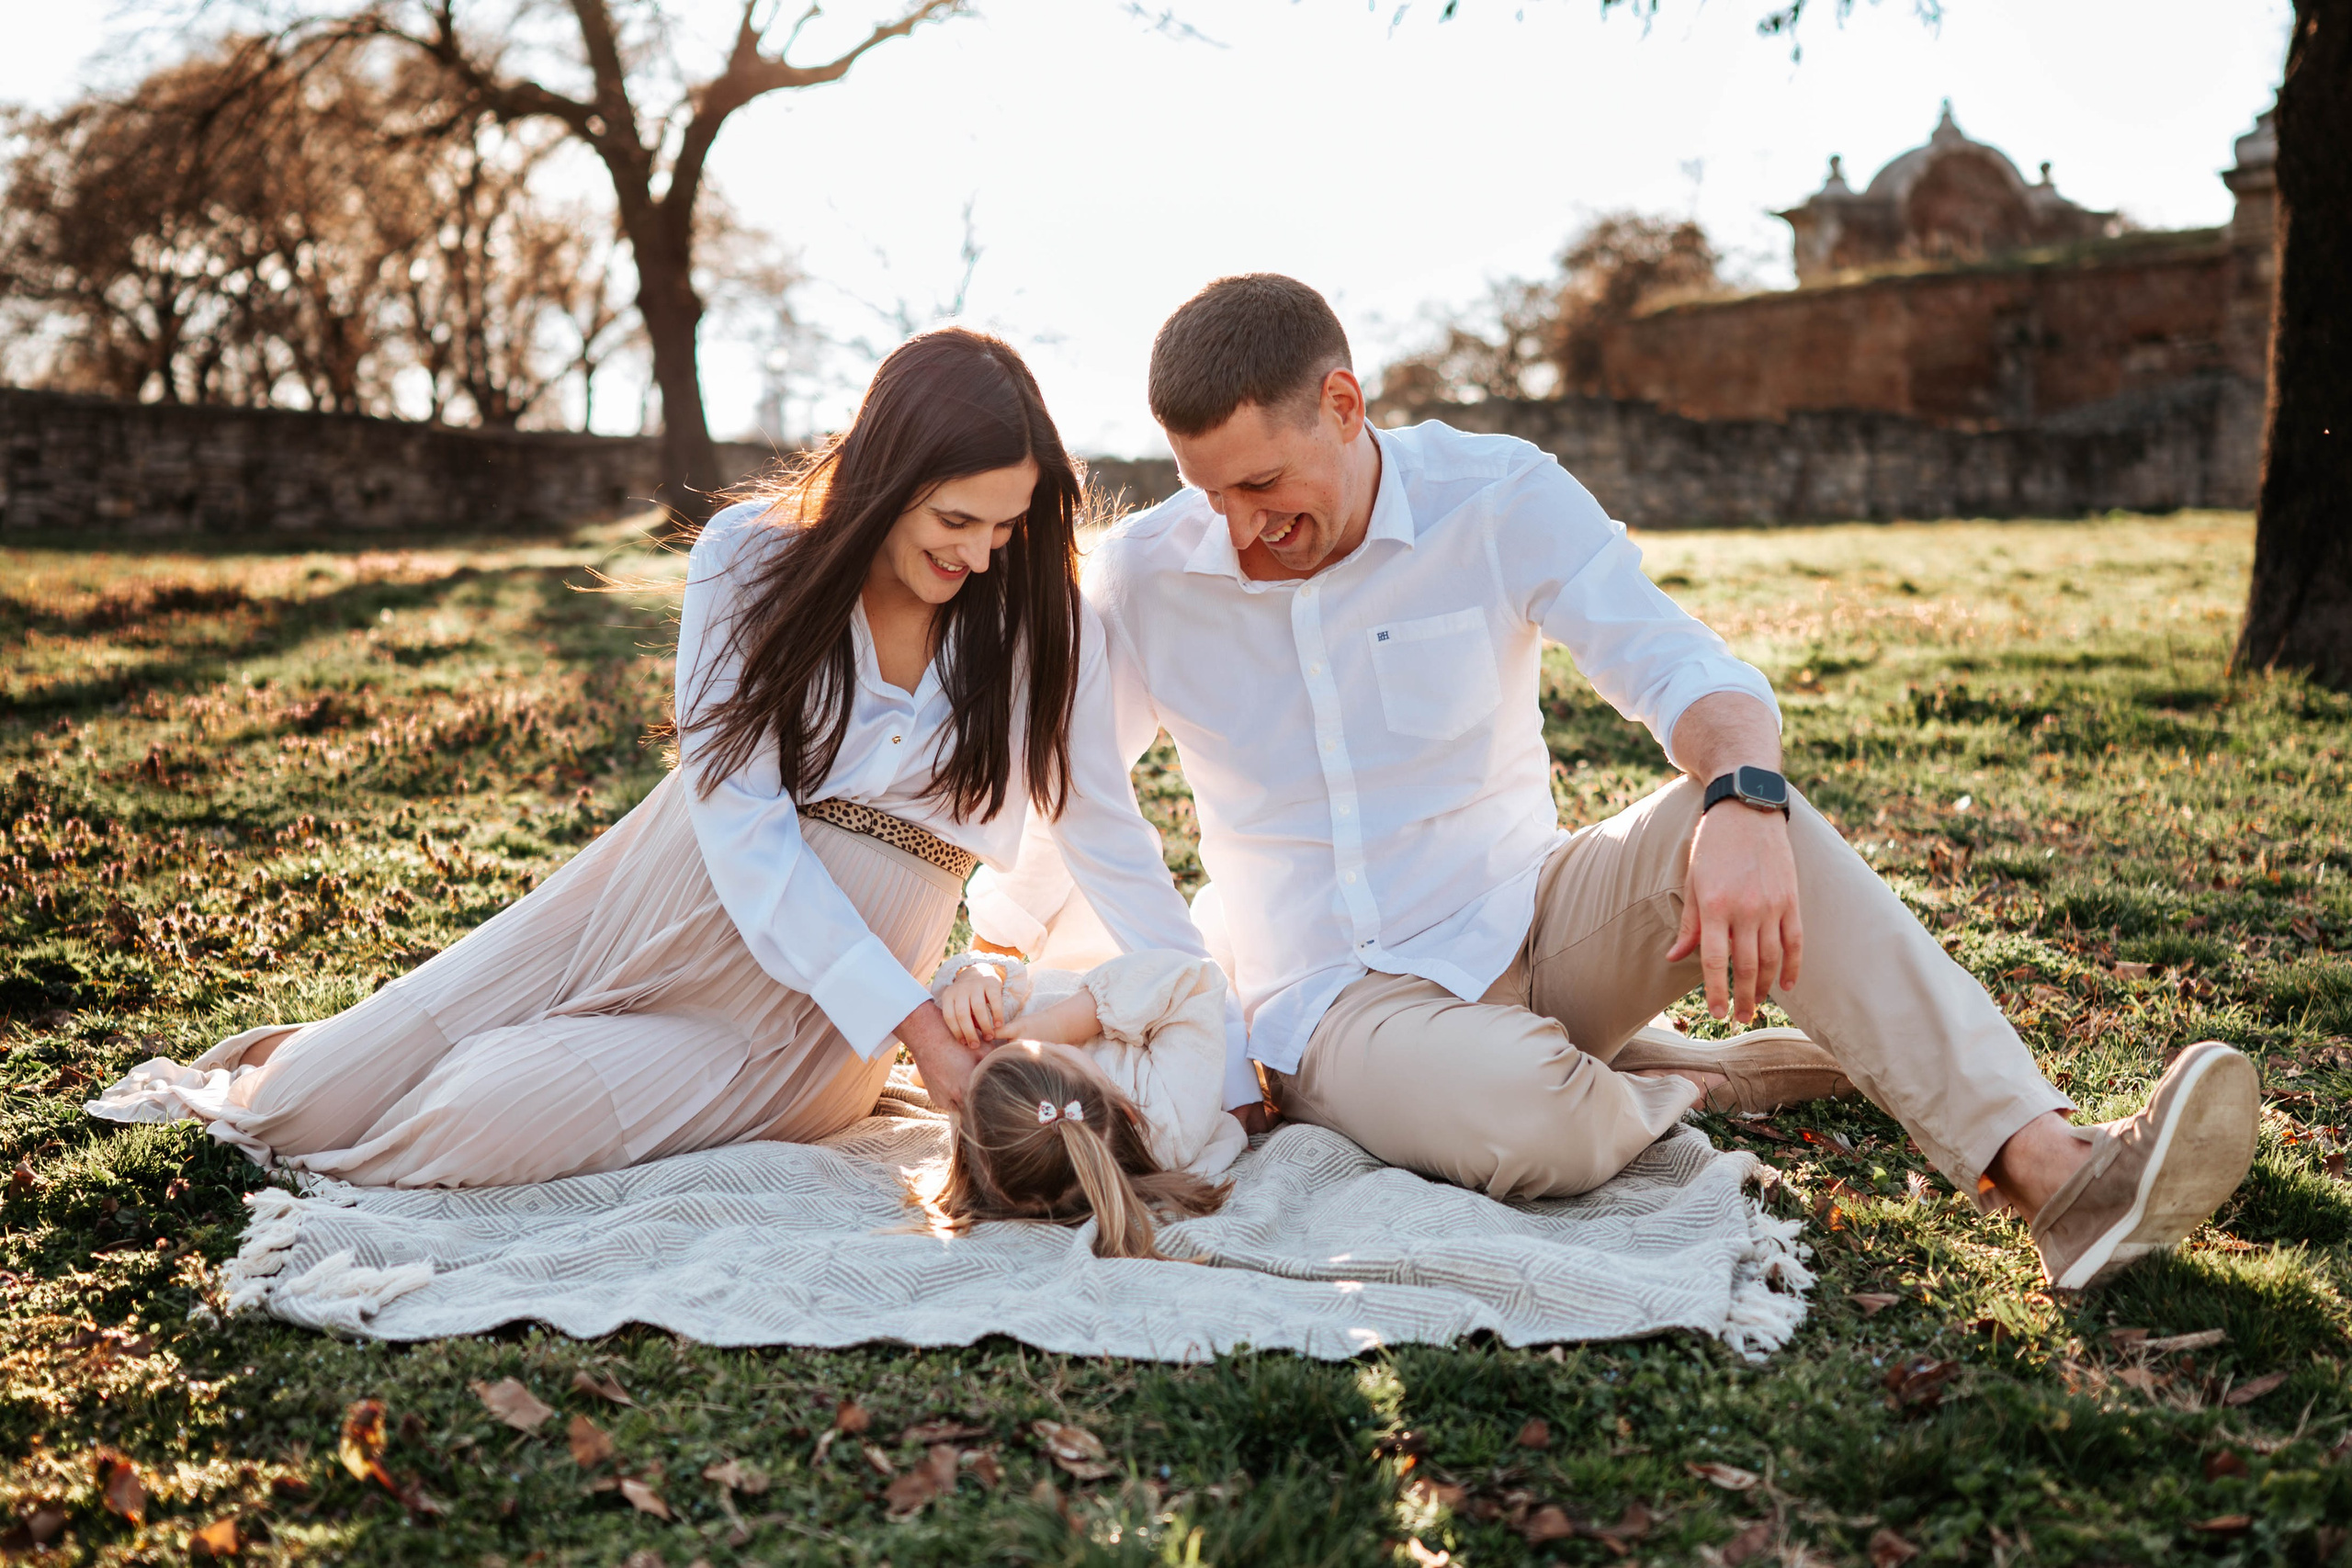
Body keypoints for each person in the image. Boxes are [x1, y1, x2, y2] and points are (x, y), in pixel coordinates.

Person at [966, 274, 2258, 1291]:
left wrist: (1745, 804)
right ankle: (1707, 1070)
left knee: (1755, 816)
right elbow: (1078, 797)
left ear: (1345, 406)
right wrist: (1072, 971)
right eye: (1211, 494)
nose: (1244, 529)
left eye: (1263, 483)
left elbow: (1685, 666)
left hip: (1535, 910)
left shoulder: (1497, 493)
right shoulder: (1147, 574)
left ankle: (2057, 1173)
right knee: (1532, 1113)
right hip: (1334, 999)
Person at [89, 328, 1228, 1189]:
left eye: (1006, 526)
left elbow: (1103, 830)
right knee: (307, 1104)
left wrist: (1214, 1045)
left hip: (809, 1018)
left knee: (469, 1123)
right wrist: (920, 1030)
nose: (981, 554)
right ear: (888, 478)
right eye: (954, 522)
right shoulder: (751, 558)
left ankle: (498, 1065)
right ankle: (334, 1053)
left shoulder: (1033, 618)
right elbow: (738, 816)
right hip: (660, 893)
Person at [915, 948, 1238, 1258]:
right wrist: (1061, 1024)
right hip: (1109, 955)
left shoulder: (990, 1121)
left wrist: (976, 976)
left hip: (1053, 961)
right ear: (1123, 1106)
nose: (993, 1046)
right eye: (1053, 1049)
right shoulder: (1171, 1119)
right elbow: (1193, 981)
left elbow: (946, 1048)